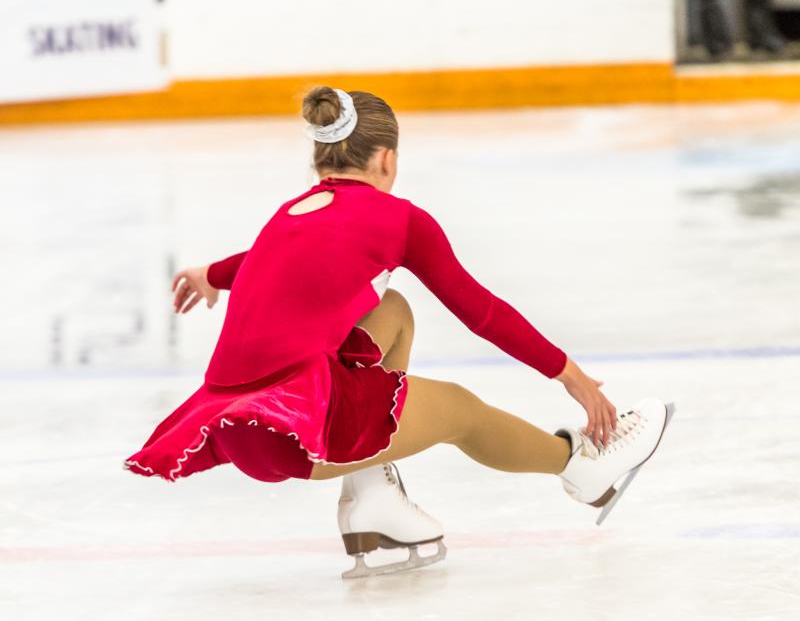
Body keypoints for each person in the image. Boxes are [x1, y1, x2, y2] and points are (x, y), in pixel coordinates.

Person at [124, 86, 675, 579]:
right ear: (386, 158)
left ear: (322, 157)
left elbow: (257, 260)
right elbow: (480, 310)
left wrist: (209, 275)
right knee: (461, 411)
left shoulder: (291, 213)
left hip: (238, 426)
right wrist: (570, 376)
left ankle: (370, 500)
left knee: (393, 309)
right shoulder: (398, 218)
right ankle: (579, 465)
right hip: (298, 429)